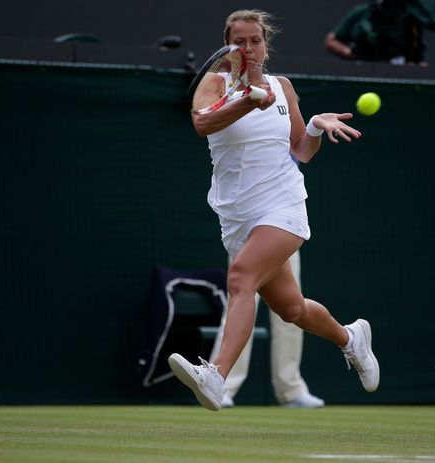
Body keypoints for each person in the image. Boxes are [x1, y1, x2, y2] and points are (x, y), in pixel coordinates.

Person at [167, 9, 380, 411]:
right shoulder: (215, 84)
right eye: (239, 42)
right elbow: (202, 124)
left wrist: (315, 125)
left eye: (255, 41)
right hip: (236, 217)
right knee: (292, 309)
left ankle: (217, 376)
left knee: (240, 277)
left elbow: (300, 150)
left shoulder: (283, 87)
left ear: (266, 45)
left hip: (283, 205)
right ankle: (351, 338)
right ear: (228, 48)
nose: (248, 49)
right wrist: (248, 101)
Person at [211, 250, 325, 408]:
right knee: (239, 306)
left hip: (287, 229)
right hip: (248, 232)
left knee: (292, 308)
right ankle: (221, 384)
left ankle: (290, 390)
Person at [324, 0, 435, 65]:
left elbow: (419, 61)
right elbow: (331, 40)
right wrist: (349, 53)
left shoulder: (410, 21)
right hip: (363, 70)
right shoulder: (362, 13)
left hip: (397, 76)